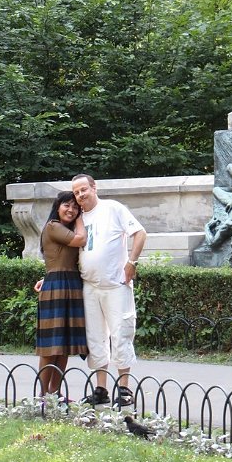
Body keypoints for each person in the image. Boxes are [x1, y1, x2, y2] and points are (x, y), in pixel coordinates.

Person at [71, 172, 147, 407]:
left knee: (121, 333)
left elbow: (140, 233)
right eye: (76, 192)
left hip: (116, 284)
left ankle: (124, 389)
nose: (80, 195)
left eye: (84, 189)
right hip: (89, 285)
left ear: (94, 188)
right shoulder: (77, 218)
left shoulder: (113, 208)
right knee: (95, 337)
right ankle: (101, 389)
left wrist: (131, 262)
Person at [33, 191, 87, 396]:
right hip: (56, 287)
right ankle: (41, 397)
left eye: (75, 207)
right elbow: (80, 240)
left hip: (72, 285)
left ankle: (55, 393)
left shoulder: (66, 229)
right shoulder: (53, 226)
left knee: (64, 346)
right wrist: (80, 217)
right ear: (57, 207)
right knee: (51, 346)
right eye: (67, 205)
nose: (71, 210)